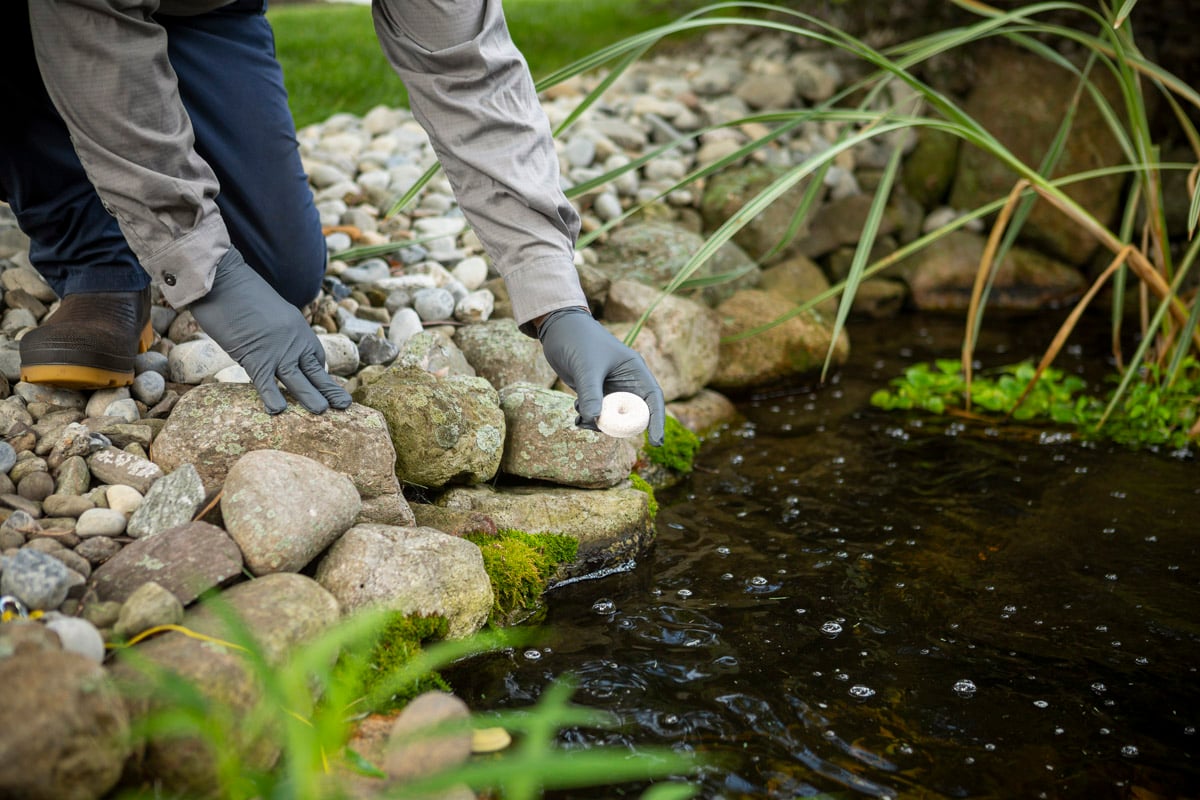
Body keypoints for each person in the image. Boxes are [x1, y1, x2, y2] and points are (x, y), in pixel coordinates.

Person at [3, 0, 666, 445]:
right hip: (72, 11)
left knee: (283, 272)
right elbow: (88, 30)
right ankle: (91, 253)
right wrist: (202, 271)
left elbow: (470, 75)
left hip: (202, 9)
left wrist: (555, 300)